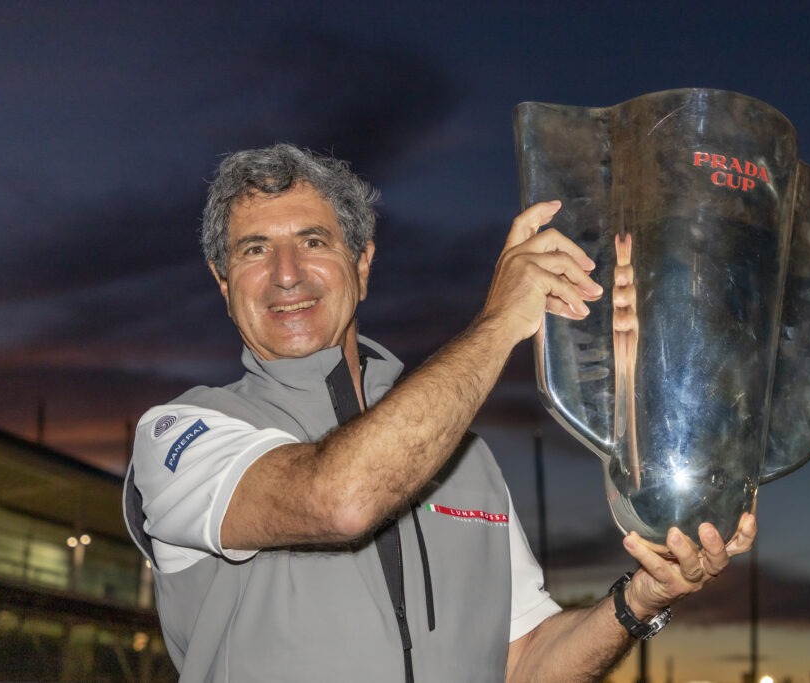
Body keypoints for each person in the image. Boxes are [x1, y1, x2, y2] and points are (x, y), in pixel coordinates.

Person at [122, 143, 756, 682]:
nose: (286, 275)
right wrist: (502, 321)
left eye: (313, 241)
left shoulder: (463, 457)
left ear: (362, 264)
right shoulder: (182, 435)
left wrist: (643, 598)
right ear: (222, 280)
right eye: (254, 250)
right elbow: (339, 497)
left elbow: (525, 661)